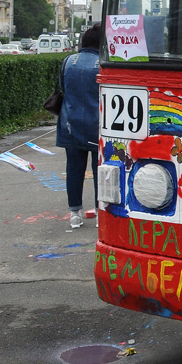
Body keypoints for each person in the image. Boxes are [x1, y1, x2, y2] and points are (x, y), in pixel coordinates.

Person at [56, 23, 101, 228]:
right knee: (100, 169)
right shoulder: (103, 64)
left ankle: (75, 213)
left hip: (70, 124)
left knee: (74, 169)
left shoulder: (68, 61)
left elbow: (62, 88)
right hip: (97, 125)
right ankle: (101, 211)